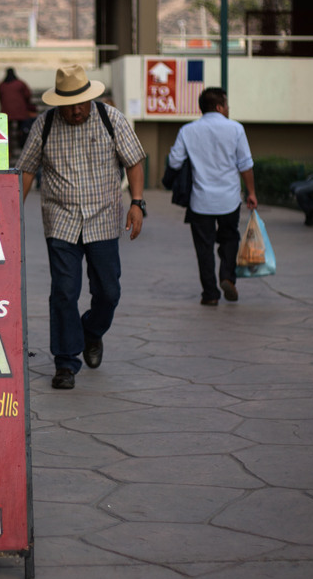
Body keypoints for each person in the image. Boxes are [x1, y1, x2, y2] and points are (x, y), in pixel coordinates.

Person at [17, 65, 147, 390]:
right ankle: (65, 362)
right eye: (69, 104)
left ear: (91, 98)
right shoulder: (44, 124)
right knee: (63, 292)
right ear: (58, 102)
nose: (76, 110)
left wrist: (137, 202)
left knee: (108, 291)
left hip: (103, 220)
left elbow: (133, 160)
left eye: (81, 103)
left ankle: (91, 331)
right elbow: (27, 170)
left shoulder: (111, 119)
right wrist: (10, 214)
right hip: (60, 221)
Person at [166, 87, 258, 307]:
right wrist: (251, 192)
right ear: (219, 106)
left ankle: (210, 293)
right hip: (229, 200)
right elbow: (245, 165)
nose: (228, 108)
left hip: (200, 201)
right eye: (226, 104)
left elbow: (174, 162)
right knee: (230, 239)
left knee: (204, 248)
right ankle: (227, 277)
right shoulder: (236, 129)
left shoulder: (188, 131)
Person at [0, 67, 37, 148]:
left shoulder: (2, 85)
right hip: (20, 111)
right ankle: (22, 146)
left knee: (7, 131)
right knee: (22, 128)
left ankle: (9, 149)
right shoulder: (20, 83)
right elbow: (28, 95)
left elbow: (0, 97)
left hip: (6, 111)